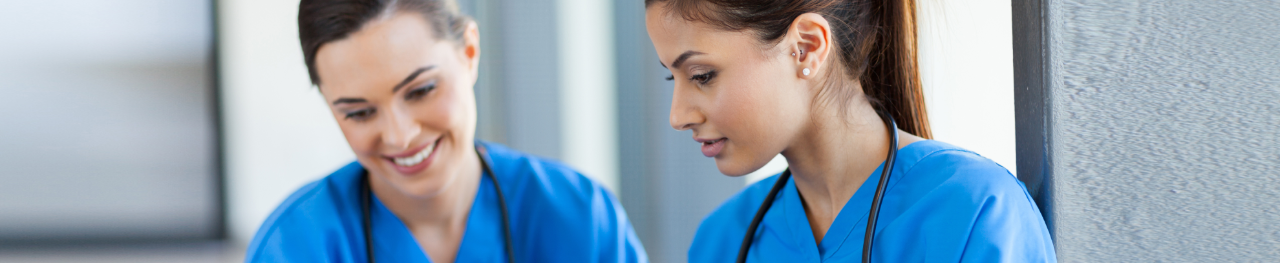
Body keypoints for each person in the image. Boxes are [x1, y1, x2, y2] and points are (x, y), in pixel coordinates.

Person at [643, 0, 1056, 262]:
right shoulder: (722, 241)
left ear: (805, 47)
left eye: (701, 75)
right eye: (671, 79)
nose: (677, 116)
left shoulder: (974, 211)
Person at [245, 0, 647, 262]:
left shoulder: (577, 217)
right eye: (360, 113)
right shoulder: (296, 245)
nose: (400, 136)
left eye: (421, 91)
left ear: (469, 52)